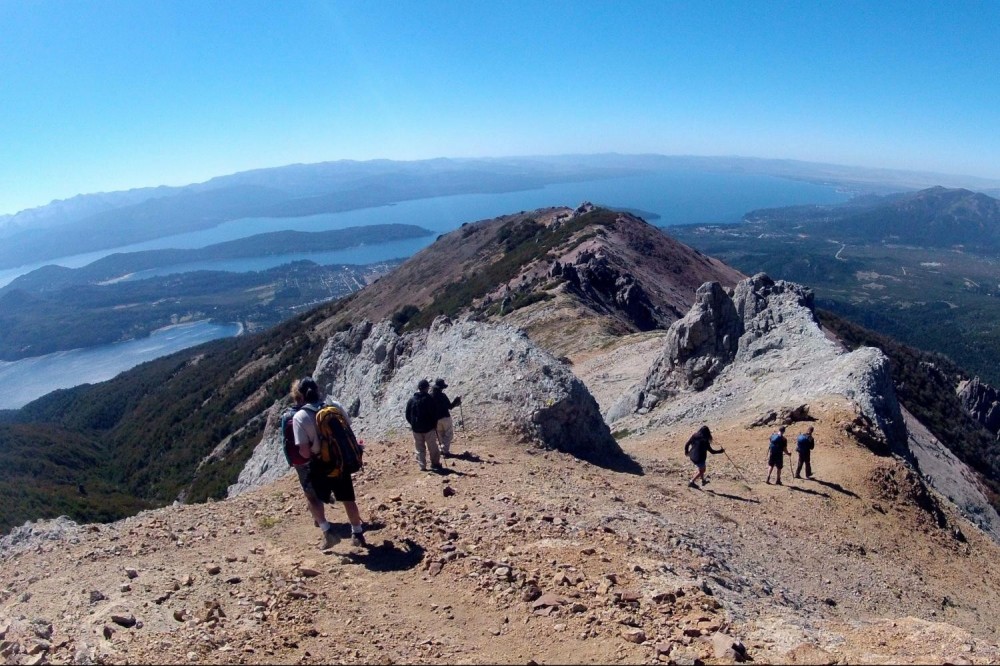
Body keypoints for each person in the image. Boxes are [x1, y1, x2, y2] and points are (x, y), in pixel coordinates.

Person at [291, 377, 366, 549]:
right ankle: (358, 533)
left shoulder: (300, 417)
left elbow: (303, 451)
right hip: (339, 461)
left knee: (313, 498)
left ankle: (328, 532)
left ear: (301, 395)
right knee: (348, 498)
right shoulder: (335, 406)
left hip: (319, 464)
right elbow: (348, 426)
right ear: (318, 390)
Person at [405, 378, 442, 471]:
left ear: (418, 388)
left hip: (416, 429)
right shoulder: (429, 399)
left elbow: (407, 415)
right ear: (426, 388)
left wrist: (413, 424)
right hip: (429, 428)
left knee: (419, 448)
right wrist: (434, 424)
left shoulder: (412, 400)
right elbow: (435, 413)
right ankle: (435, 464)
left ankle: (422, 466)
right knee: (432, 447)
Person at [431, 378, 462, 457]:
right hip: (445, 417)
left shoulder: (430, 396)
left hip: (436, 419)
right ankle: (445, 450)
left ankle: (442, 449)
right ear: (441, 388)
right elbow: (450, 406)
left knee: (440, 434)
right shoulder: (443, 396)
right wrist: (456, 401)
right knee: (448, 434)